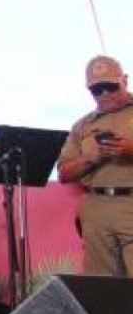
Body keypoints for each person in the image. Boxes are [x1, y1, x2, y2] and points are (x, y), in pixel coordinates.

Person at [57, 55, 133, 276]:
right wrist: (89, 158)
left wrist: (129, 150)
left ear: (124, 80)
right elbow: (63, 174)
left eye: (110, 86)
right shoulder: (82, 125)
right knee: (101, 284)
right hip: (96, 208)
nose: (104, 94)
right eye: (96, 90)